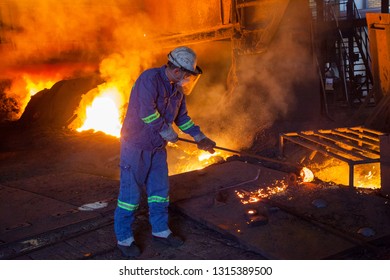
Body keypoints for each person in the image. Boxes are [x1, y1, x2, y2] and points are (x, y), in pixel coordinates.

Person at [114, 46, 217, 258]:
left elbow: (182, 118)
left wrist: (200, 137)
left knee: (160, 193)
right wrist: (165, 130)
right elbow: (146, 112)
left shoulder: (177, 90)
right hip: (136, 146)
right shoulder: (149, 79)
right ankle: (124, 238)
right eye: (188, 74)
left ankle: (161, 232)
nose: (188, 79)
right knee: (130, 197)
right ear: (177, 71)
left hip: (158, 149)